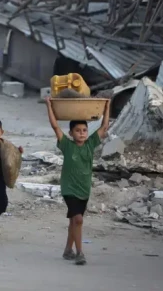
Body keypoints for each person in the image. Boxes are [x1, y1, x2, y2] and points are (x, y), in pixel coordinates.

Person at [46, 97, 110, 266]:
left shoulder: (90, 145)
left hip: (84, 190)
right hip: (69, 189)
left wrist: (107, 106)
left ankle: (68, 250)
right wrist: (48, 105)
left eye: (84, 130)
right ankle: (80, 252)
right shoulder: (67, 145)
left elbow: (104, 127)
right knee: (79, 220)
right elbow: (55, 126)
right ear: (71, 133)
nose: (81, 133)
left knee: (74, 221)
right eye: (78, 130)